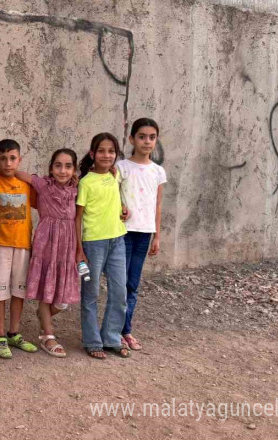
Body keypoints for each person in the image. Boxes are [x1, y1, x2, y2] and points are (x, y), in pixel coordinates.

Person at [12, 148, 80, 357]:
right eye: (58, 165)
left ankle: (45, 316)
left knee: (62, 301)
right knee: (46, 291)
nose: (63, 170)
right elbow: (17, 173)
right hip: (47, 243)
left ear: (75, 170)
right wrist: (9, 168)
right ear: (50, 168)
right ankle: (47, 336)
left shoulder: (78, 189)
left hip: (67, 245)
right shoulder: (43, 184)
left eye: (68, 166)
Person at [75, 133, 130, 360]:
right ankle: (92, 340)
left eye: (111, 151)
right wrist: (79, 250)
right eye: (101, 151)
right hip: (93, 243)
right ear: (92, 154)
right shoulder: (85, 182)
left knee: (119, 292)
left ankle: (112, 338)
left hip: (118, 240)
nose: (106, 155)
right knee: (91, 292)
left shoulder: (115, 175)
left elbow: (117, 198)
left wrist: (124, 208)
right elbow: (77, 218)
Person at [116, 118, 166, 351]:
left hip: (144, 234)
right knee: (120, 284)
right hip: (124, 233)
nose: (147, 141)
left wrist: (157, 235)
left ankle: (126, 330)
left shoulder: (158, 171)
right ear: (132, 139)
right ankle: (114, 330)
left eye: (152, 137)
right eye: (142, 136)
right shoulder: (122, 167)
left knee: (133, 285)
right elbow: (113, 197)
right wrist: (120, 208)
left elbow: (157, 205)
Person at [0, 139, 38, 359]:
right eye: (3, 158)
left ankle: (14, 333)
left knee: (19, 291)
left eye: (12, 158)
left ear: (20, 159)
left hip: (23, 244)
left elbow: (46, 201)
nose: (8, 163)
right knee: (0, 292)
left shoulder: (27, 183)